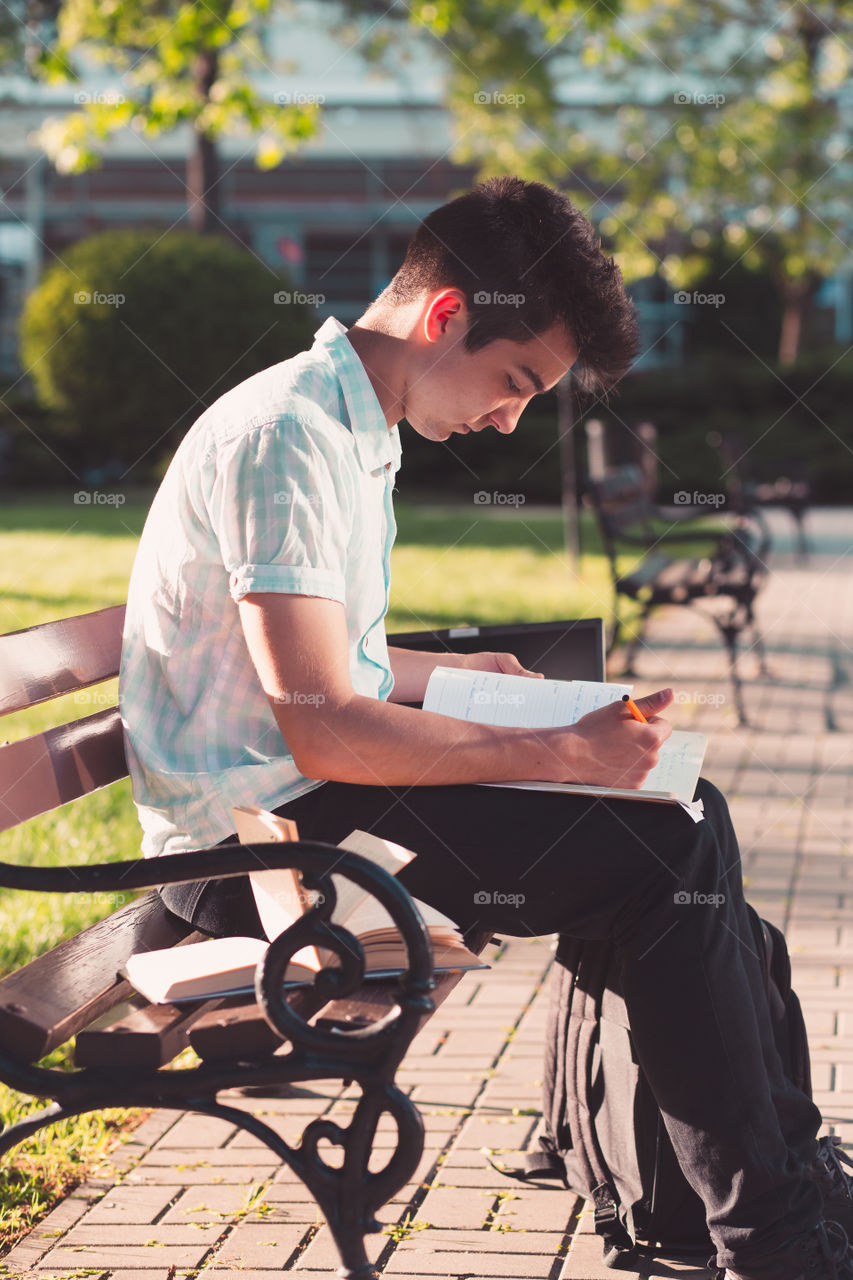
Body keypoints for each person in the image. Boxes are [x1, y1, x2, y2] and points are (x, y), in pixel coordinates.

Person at [119, 175, 853, 1280]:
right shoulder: (289, 436)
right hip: (253, 854)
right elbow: (322, 727)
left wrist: (445, 670)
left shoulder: (347, 424)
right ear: (447, 313)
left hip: (294, 807)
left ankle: (765, 1182)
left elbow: (320, 665)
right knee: (662, 846)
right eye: (515, 382)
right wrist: (558, 750)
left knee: (682, 809)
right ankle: (776, 1236)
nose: (510, 416)